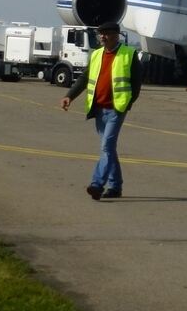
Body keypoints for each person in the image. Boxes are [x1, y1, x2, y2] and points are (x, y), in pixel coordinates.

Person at [61, 22, 144, 200]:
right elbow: (85, 78)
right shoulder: (96, 54)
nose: (103, 37)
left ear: (116, 35)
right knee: (109, 149)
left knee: (106, 146)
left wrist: (127, 103)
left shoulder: (129, 54)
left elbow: (136, 83)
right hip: (98, 108)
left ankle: (97, 184)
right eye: (101, 34)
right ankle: (115, 186)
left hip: (117, 109)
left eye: (106, 34)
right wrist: (70, 96)